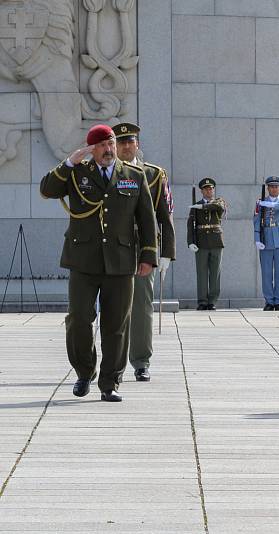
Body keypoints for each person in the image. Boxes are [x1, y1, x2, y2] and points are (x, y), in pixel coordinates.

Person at [39, 124, 158, 402]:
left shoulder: (134, 175)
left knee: (116, 324)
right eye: (102, 145)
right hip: (83, 260)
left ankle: (110, 382)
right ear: (92, 149)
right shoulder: (77, 172)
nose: (109, 149)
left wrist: (149, 256)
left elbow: (147, 219)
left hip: (120, 260)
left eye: (111, 143)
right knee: (79, 319)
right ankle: (84, 372)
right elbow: (47, 190)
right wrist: (69, 162)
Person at [112, 122, 175, 383]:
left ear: (137, 144)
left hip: (142, 248)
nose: (126, 146)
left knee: (140, 307)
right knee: (114, 307)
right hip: (113, 247)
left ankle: (140, 361)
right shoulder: (107, 173)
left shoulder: (153, 174)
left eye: (130, 142)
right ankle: (112, 363)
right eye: (122, 142)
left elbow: (165, 215)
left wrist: (165, 253)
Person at [253, 176, 279, 311]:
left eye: (277, 187)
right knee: (266, 272)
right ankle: (269, 301)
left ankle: (278, 301)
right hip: (266, 239)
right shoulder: (260, 203)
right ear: (268, 188)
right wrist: (257, 239)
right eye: (272, 186)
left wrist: (271, 205)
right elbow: (256, 221)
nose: (274, 189)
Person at [188, 177, 226, 310]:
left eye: (211, 189)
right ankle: (202, 301)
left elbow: (218, 207)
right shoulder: (195, 205)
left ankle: (212, 301)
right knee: (202, 273)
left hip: (216, 241)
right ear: (201, 191)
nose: (209, 191)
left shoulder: (219, 202)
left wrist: (203, 206)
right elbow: (190, 225)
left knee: (215, 273)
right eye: (206, 189)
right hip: (201, 242)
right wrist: (190, 242)